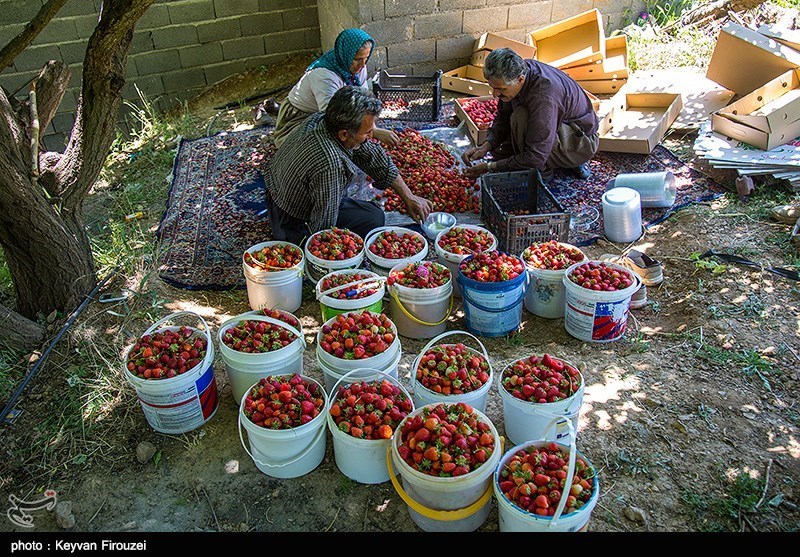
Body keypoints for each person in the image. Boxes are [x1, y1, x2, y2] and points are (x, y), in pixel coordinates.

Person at [263, 86, 432, 246]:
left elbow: (372, 156)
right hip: (289, 216)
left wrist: (408, 196)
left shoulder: (325, 119)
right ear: (344, 134)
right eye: (367, 133)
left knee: (372, 213)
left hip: (278, 191)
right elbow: (323, 226)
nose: (372, 136)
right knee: (372, 219)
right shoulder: (330, 164)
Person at [461, 48, 599, 182]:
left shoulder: (543, 96)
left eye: (501, 89)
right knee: (500, 151)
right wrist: (486, 146)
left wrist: (489, 167)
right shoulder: (520, 72)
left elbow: (535, 156)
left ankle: (543, 173)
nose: (494, 94)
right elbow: (503, 117)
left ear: (520, 80)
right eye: (493, 87)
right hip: (557, 126)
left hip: (581, 141)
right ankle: (554, 160)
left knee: (520, 118)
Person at [273, 28, 399, 149]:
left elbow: (363, 101)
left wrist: (371, 128)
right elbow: (332, 118)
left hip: (328, 111)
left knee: (355, 137)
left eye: (366, 58)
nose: (362, 65)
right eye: (357, 59)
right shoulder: (324, 76)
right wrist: (373, 132)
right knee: (323, 147)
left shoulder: (358, 67)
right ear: (346, 55)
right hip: (300, 117)